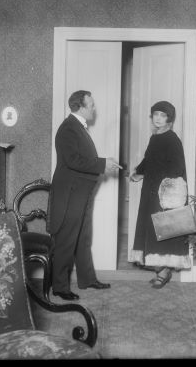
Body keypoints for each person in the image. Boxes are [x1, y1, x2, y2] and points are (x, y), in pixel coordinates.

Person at [49, 90, 122, 301]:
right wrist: (102, 164)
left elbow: (81, 158)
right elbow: (73, 160)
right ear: (80, 107)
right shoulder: (68, 129)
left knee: (83, 238)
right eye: (91, 105)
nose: (94, 109)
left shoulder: (77, 127)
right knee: (66, 240)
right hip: (70, 194)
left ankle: (87, 279)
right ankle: (60, 287)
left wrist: (104, 162)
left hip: (80, 193)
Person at [129, 101, 191, 288]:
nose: (158, 118)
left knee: (162, 230)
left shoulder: (172, 139)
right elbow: (148, 160)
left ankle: (164, 271)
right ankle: (160, 269)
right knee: (151, 230)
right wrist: (137, 172)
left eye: (162, 115)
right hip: (150, 190)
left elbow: (178, 168)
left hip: (163, 193)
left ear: (169, 119)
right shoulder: (155, 138)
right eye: (155, 114)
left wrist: (161, 183)